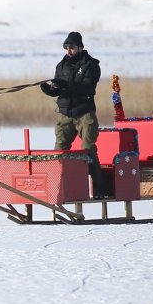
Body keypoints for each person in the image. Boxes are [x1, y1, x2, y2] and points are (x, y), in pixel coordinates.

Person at [40, 31, 108, 198]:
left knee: (88, 151)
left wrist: (65, 85)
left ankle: (100, 190)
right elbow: (59, 89)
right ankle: (58, 189)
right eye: (66, 47)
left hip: (85, 113)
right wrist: (50, 90)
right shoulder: (60, 66)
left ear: (80, 47)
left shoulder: (91, 65)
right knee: (60, 150)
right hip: (65, 114)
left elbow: (88, 88)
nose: (69, 50)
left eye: (72, 47)